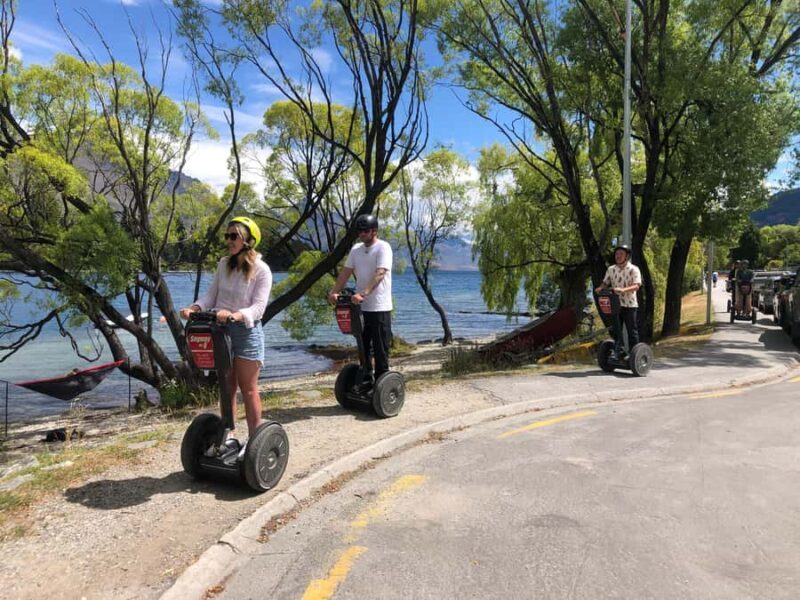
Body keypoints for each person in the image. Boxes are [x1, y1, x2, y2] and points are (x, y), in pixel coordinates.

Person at [180, 217, 272, 438]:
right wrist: (195, 307)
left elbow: (259, 308)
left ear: (249, 240)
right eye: (227, 236)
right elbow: (211, 296)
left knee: (248, 389)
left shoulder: (262, 270)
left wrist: (236, 315)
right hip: (221, 331)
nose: (229, 240)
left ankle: (255, 441)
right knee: (227, 388)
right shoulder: (224, 264)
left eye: (234, 236)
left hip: (246, 333)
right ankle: (228, 436)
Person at [327, 214, 393, 389]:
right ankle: (366, 380)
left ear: (374, 231)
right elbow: (346, 272)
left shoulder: (383, 247)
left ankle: (383, 385)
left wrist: (363, 293)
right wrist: (335, 291)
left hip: (379, 307)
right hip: (359, 308)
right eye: (359, 231)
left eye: (365, 231)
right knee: (363, 347)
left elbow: (380, 273)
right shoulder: (356, 249)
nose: (361, 234)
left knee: (380, 349)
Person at [594, 244, 642, 350]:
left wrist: (623, 290)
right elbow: (605, 282)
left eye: (621, 254)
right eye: (616, 254)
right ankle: (619, 350)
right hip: (615, 304)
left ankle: (634, 353)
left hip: (630, 304)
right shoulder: (611, 269)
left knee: (631, 330)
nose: (618, 256)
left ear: (627, 256)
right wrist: (600, 288)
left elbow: (637, 285)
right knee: (616, 330)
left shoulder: (634, 269)